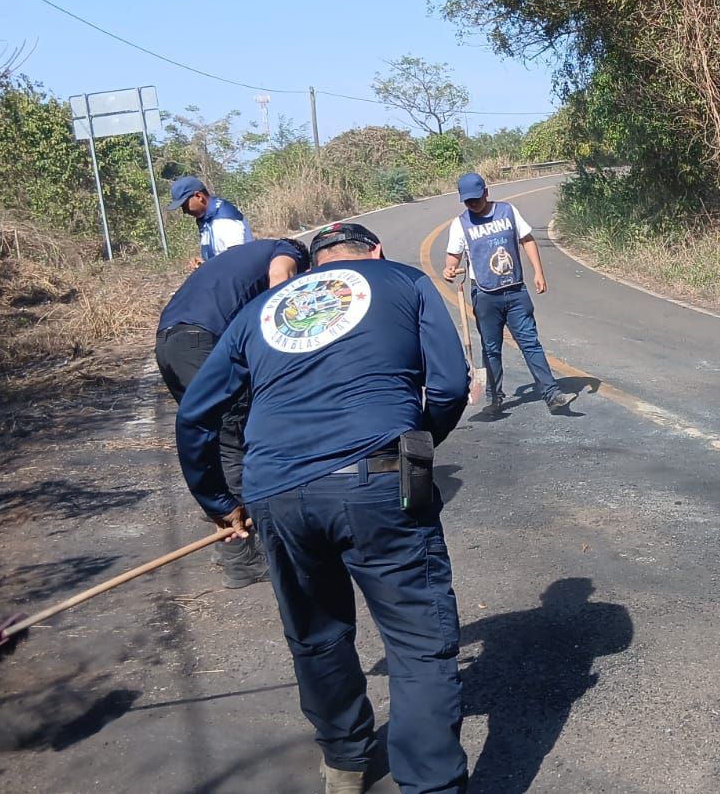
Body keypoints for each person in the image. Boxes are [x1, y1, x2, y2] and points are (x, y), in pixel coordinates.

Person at [176, 222, 471, 794]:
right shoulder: (405, 280)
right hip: (378, 480)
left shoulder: (260, 311)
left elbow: (195, 415)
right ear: (375, 251)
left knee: (317, 635)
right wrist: (413, 445)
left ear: (313, 269)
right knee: (418, 645)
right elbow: (449, 387)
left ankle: (345, 762)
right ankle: (431, 785)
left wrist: (218, 502)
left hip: (275, 492)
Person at [156, 237, 308, 588]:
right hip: (200, 341)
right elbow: (280, 287)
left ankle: (229, 543)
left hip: (169, 343)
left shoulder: (236, 258)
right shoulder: (286, 252)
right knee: (234, 440)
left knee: (214, 439)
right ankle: (244, 558)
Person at [441, 172, 575, 416]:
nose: (473, 204)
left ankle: (552, 394)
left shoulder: (508, 211)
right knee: (491, 348)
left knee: (530, 343)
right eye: (468, 201)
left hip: (515, 290)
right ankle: (495, 399)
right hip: (485, 295)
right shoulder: (460, 224)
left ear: (486, 192)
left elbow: (527, 240)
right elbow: (453, 258)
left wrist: (538, 272)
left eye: (476, 198)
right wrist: (449, 269)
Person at [168, 176, 254, 263]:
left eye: (185, 205)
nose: (185, 211)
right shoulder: (207, 218)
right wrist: (205, 265)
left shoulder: (224, 220)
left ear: (198, 196)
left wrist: (211, 268)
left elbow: (238, 260)